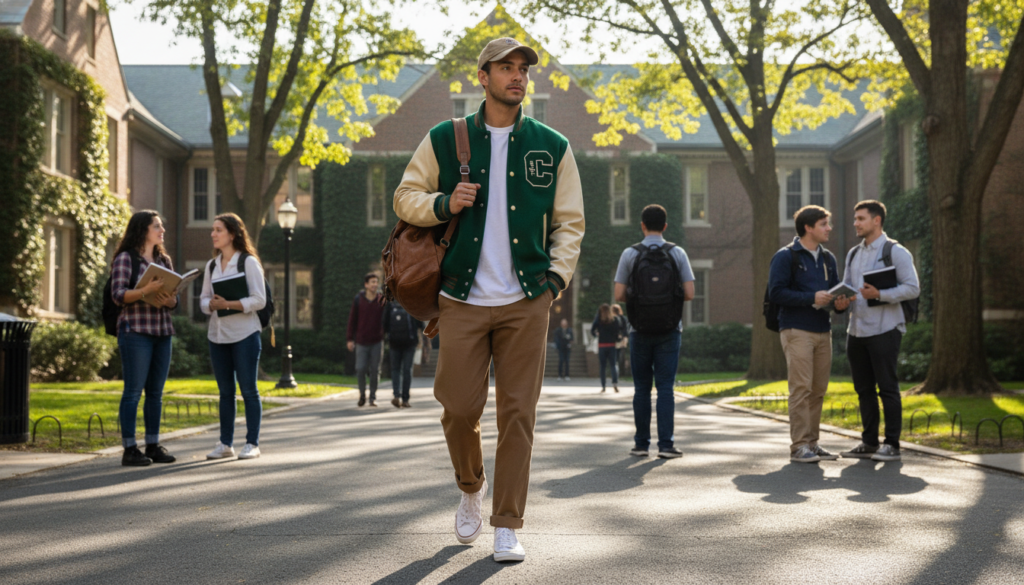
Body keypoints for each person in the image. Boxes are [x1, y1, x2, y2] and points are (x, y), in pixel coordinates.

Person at [393, 37, 584, 563]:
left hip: (527, 299)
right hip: (460, 297)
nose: (518, 76)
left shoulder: (553, 145)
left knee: (518, 413)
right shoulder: (443, 138)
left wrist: (554, 283)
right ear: (483, 76)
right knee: (457, 408)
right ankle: (470, 485)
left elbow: (570, 223)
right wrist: (441, 201)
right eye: (506, 67)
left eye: (523, 68)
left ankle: (507, 523)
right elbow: (404, 196)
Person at [768, 205, 852, 464]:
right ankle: (799, 446)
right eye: (824, 224)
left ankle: (812, 444)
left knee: (818, 390)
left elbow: (835, 290)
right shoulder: (785, 256)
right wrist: (810, 297)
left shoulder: (828, 259)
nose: (829, 228)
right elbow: (776, 293)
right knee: (801, 389)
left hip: (822, 329)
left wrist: (840, 303)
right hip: (796, 329)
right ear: (808, 227)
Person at [840, 200, 920, 462]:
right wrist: (842, 300)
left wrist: (881, 294)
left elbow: (912, 288)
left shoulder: (896, 252)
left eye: (861, 218)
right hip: (857, 330)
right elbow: (850, 289)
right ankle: (869, 442)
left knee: (887, 387)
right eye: (855, 219)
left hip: (885, 329)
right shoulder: (853, 253)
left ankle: (893, 445)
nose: (856, 224)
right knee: (863, 389)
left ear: (877, 220)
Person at [614, 204, 694, 459]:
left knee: (641, 388)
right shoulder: (677, 253)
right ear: (665, 226)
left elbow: (618, 295)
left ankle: (641, 444)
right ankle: (667, 445)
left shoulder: (630, 254)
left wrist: (640, 300)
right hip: (670, 329)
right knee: (666, 388)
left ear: (642, 225)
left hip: (639, 329)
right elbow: (690, 293)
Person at [110, 210, 179, 467]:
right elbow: (118, 295)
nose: (162, 231)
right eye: (157, 227)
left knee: (156, 394)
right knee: (132, 392)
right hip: (135, 331)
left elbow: (175, 297)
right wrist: (144, 291)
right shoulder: (126, 259)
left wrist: (172, 300)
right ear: (143, 230)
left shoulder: (164, 260)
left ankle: (152, 445)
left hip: (162, 332)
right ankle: (130, 449)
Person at [201, 214, 267, 461]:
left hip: (245, 335)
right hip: (217, 336)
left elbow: (259, 300)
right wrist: (212, 305)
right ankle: (225, 443)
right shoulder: (212, 265)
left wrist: (228, 303)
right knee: (225, 392)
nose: (213, 234)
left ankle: (252, 443)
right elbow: (203, 300)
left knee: (249, 390)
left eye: (218, 230)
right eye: (212, 230)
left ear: (232, 233)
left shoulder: (248, 262)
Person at [347, 273, 385, 407]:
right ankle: (362, 395)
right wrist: (349, 339)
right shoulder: (358, 299)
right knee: (360, 368)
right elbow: (352, 319)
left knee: (375, 370)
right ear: (366, 285)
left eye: (376, 282)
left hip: (377, 341)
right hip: (361, 341)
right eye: (372, 282)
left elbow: (386, 319)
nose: (375, 284)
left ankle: (372, 397)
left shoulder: (381, 300)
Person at [383, 300, 423, 408]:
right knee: (407, 370)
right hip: (410, 344)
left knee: (395, 369)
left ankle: (396, 395)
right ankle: (405, 399)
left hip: (394, 343)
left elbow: (384, 324)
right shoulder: (411, 301)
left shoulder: (390, 303)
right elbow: (420, 323)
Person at [591, 304, 620, 393]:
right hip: (611, 345)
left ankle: (603, 386)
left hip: (602, 345)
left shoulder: (599, 320)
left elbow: (592, 330)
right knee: (613, 365)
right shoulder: (614, 320)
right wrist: (617, 339)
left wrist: (597, 334)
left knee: (602, 366)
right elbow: (617, 332)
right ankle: (614, 383)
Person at [611, 304, 629, 376]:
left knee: (614, 357)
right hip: (622, 339)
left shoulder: (613, 318)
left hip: (614, 340)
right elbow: (626, 329)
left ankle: (615, 372)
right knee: (619, 356)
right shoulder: (623, 318)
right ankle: (617, 371)